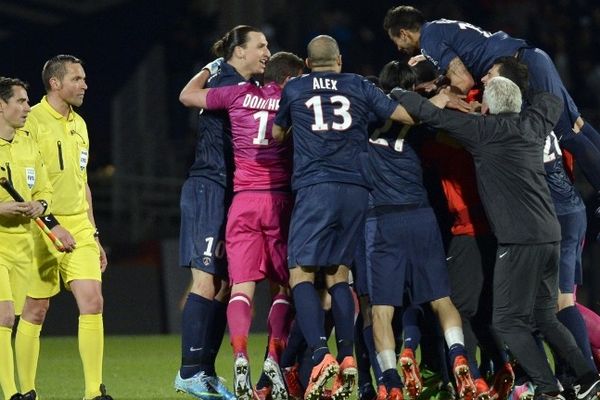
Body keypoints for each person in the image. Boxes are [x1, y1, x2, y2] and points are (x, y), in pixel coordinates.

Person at [391, 76, 600, 400]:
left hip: (519, 240)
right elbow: (552, 100)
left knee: (505, 322)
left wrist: (399, 92)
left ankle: (547, 387)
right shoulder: (534, 122)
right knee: (545, 315)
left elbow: (431, 116)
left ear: (488, 105)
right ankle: (586, 376)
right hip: (550, 234)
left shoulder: (484, 132)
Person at [272, 34, 414, 400]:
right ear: (339, 60)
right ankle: (348, 357)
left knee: (301, 272)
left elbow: (275, 134)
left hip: (316, 187)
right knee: (339, 273)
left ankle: (321, 355)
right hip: (356, 189)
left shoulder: (296, 89)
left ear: (307, 62)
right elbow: (400, 115)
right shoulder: (357, 85)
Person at [179, 50, 304, 400]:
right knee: (284, 288)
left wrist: (208, 67)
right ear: (290, 79)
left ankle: (238, 354)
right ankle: (274, 360)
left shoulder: (237, 94)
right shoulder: (294, 100)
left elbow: (187, 96)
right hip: (279, 201)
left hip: (242, 202)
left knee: (240, 287)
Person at [382, 5, 600, 201]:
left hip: (522, 68)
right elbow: (468, 58)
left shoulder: (429, 41)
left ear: (403, 33)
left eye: (396, 42)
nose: (399, 49)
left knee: (566, 132)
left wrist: (443, 98)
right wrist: (441, 81)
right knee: (577, 122)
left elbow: (464, 81)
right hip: (532, 59)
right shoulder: (438, 27)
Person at [483, 55, 599, 396]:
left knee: (561, 304)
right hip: (566, 210)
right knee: (551, 305)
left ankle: (585, 377)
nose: (485, 79)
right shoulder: (540, 110)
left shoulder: (512, 123)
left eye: (491, 75)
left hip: (555, 215)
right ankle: (568, 376)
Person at [367, 60, 478, 400]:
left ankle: (390, 380)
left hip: (384, 220)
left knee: (381, 311)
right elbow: (455, 139)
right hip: (421, 216)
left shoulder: (363, 120)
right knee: (441, 300)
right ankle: (459, 355)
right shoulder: (421, 122)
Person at [176, 25, 270, 400]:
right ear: (239, 52)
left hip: (233, 194)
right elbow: (186, 95)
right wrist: (210, 66)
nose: (266, 52)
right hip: (208, 188)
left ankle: (206, 370)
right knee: (205, 280)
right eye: (260, 46)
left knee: (226, 283)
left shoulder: (252, 90)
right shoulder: (224, 82)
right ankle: (188, 372)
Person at [15, 55, 111, 400]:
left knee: (92, 301)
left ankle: (92, 391)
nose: (84, 85)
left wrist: (94, 232)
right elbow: (26, 184)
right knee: (36, 309)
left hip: (79, 226)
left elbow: (82, 182)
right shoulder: (31, 121)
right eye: (77, 79)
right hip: (38, 225)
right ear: (55, 83)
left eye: (84, 78)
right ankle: (26, 390)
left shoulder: (80, 124)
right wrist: (50, 225)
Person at [0, 77, 52, 400]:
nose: (27, 107)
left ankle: (24, 390)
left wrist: (40, 205)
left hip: (23, 247)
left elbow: (45, 190)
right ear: (1, 106)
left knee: (14, 321)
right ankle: (11, 394)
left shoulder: (28, 144)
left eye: (27, 100)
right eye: (20, 101)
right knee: (4, 316)